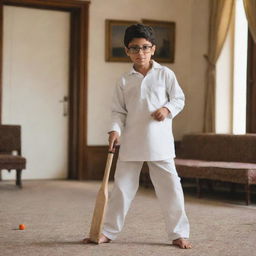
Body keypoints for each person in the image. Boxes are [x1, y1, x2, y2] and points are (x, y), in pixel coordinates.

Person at [84, 24, 191, 249]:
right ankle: (107, 232)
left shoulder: (165, 74)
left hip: (159, 143)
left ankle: (179, 233)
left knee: (171, 188)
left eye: (145, 47)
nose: (140, 53)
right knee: (121, 189)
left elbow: (179, 99)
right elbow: (118, 111)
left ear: (153, 49)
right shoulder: (124, 80)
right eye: (134, 48)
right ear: (127, 51)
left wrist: (167, 109)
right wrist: (115, 129)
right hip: (131, 142)